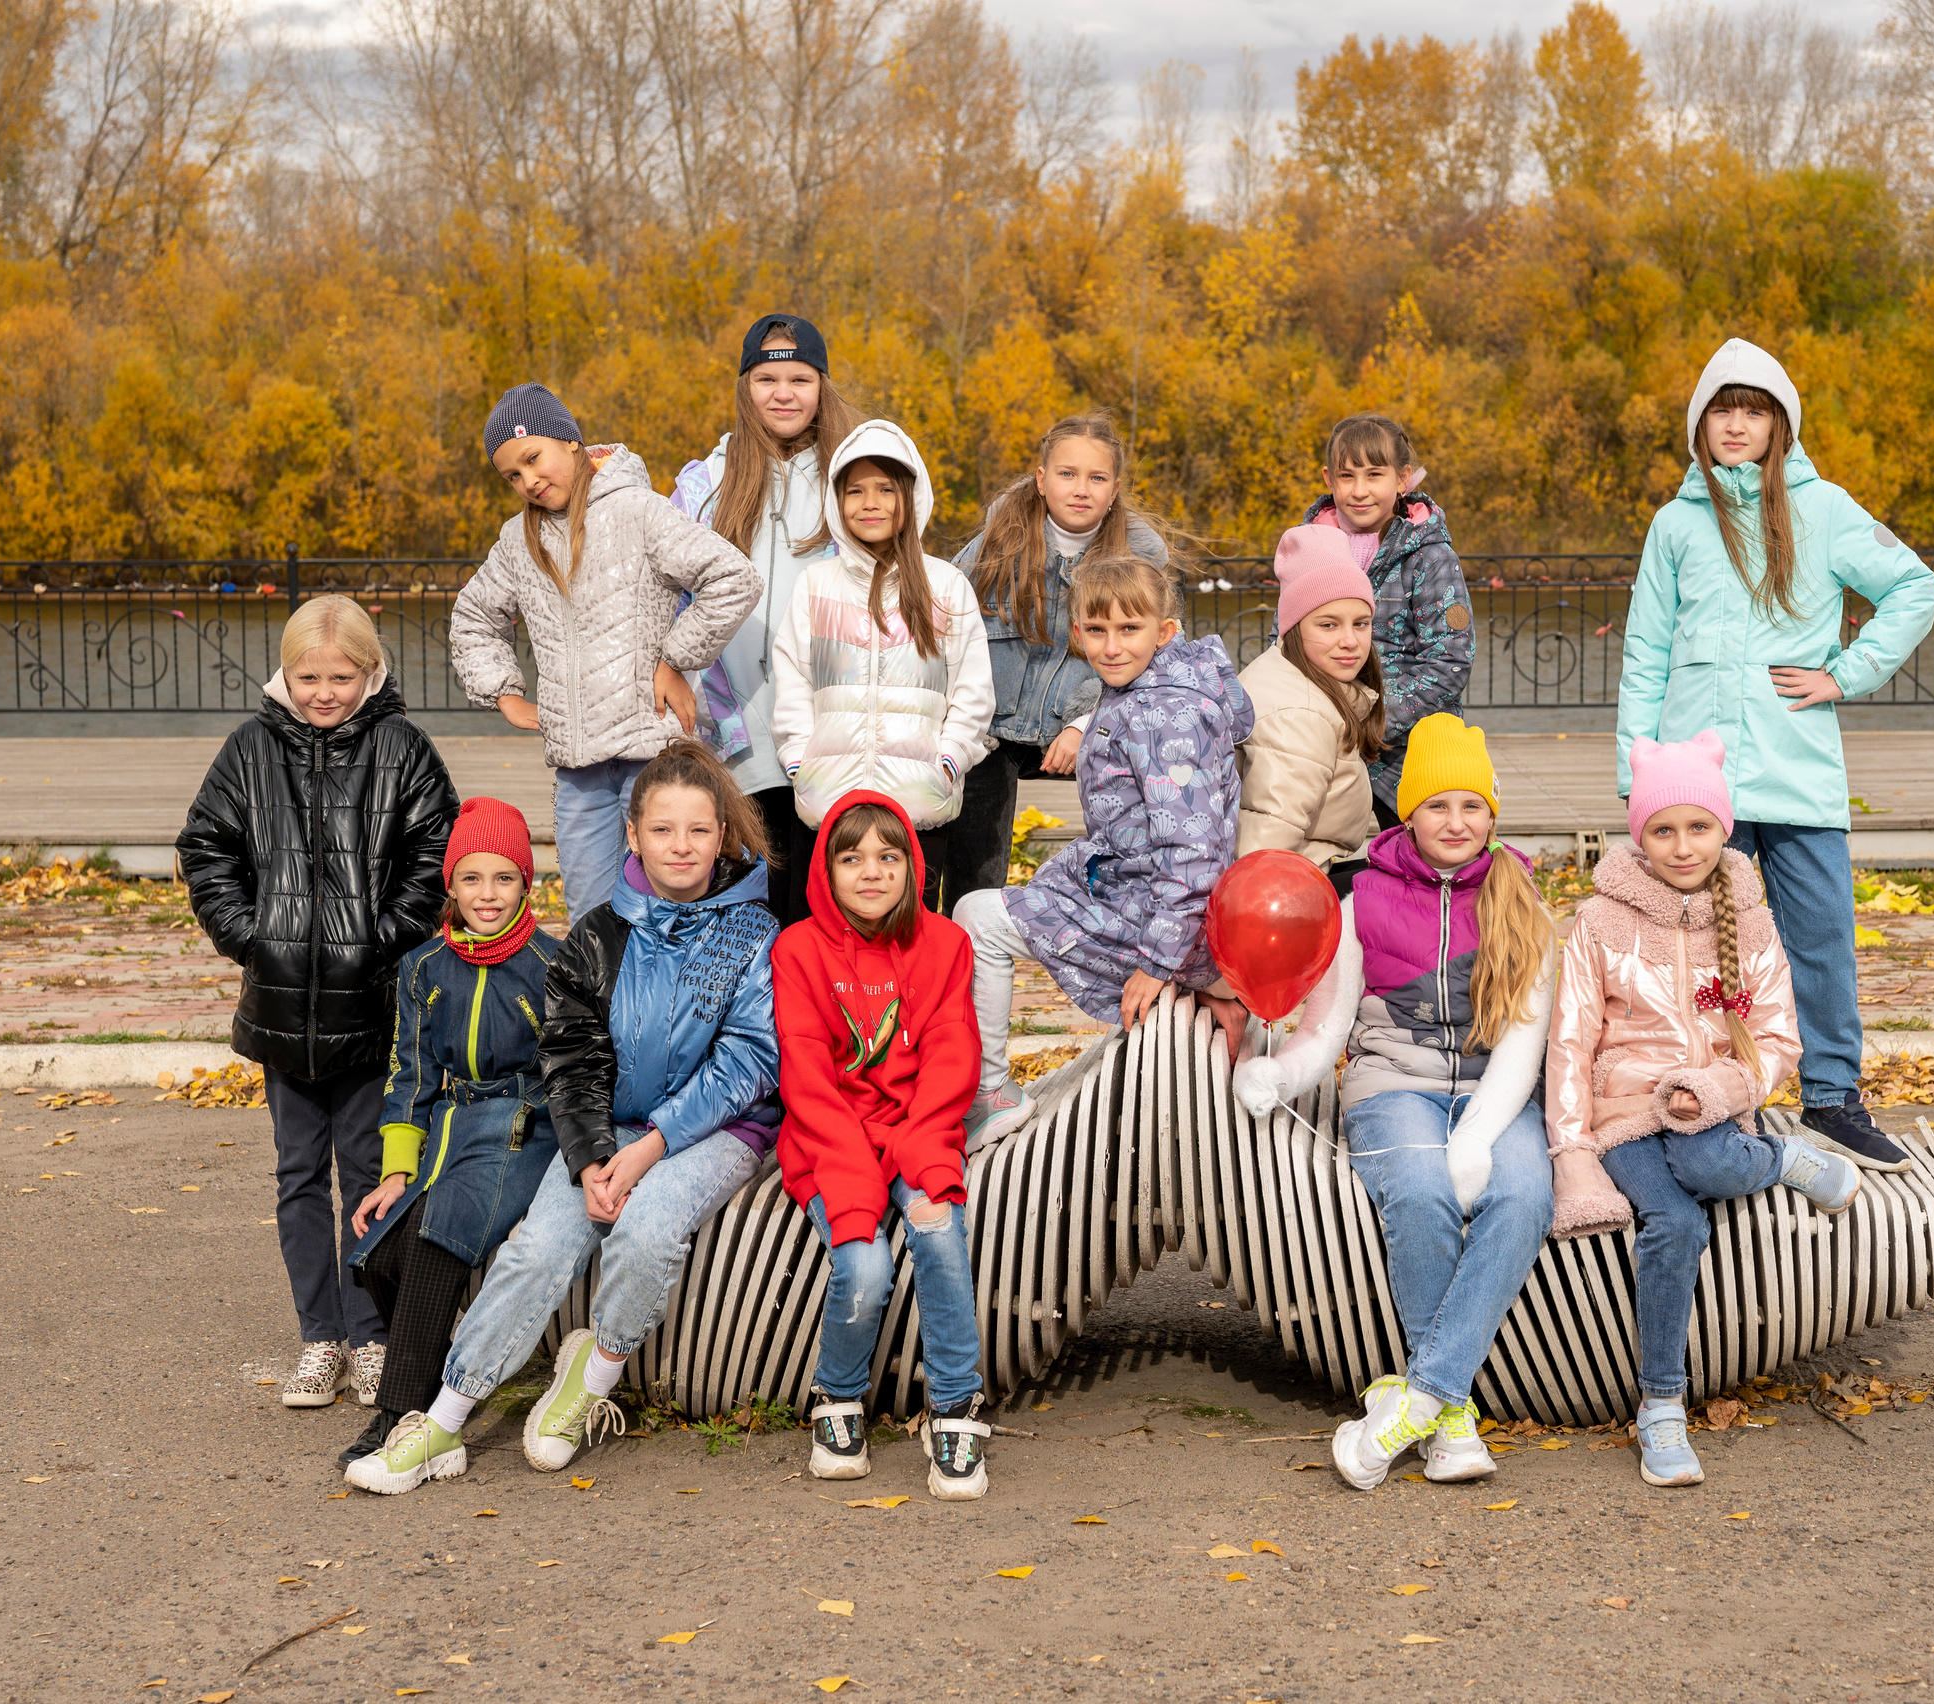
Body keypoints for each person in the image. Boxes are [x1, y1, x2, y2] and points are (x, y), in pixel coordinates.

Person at [343, 742, 783, 1493]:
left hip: (712, 1133)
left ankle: (595, 1369)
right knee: (536, 1250)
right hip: (604, 1132)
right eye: (664, 829)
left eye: (699, 830)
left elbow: (746, 1063)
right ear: (634, 835)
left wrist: (648, 1150)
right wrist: (587, 1158)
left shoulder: (752, 934)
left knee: (645, 1233)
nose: (682, 846)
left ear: (724, 837)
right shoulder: (598, 934)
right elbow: (572, 1058)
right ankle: (442, 1422)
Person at [1615, 338, 1934, 1172]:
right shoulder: (1676, 523)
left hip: (1795, 769)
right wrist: (1637, 773)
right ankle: (1721, 1095)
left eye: (1754, 410)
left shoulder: (1824, 507)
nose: (1736, 424)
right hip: (1696, 779)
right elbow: (1646, 651)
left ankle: (1833, 1098)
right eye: (1723, 408)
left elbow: (1913, 587)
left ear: (1779, 424)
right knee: (1702, 945)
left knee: (1819, 938)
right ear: (1700, 423)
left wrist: (1846, 674)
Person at [1234, 715, 1558, 1490]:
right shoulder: (1362, 900)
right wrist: (1281, 1074)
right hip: (1393, 1088)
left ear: (1492, 814)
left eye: (1472, 806)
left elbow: (1525, 1038)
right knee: (1419, 1191)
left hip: (1496, 1090)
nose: (1457, 822)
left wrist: (1479, 1134)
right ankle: (1450, 1419)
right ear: (1407, 811)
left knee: (1524, 1194)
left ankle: (1421, 1398)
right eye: (1438, 805)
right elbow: (1331, 1021)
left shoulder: (1524, 900)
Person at [1546, 730, 1861, 1489]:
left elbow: (1779, 1034)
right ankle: (1661, 1406)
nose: (1682, 846)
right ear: (1639, 836)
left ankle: (1781, 1156)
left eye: (1698, 827)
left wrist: (1724, 1089)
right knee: (1677, 1220)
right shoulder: (1600, 922)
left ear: (1724, 828)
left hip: (1712, 1105)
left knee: (1709, 1158)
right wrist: (1571, 1146)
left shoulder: (1748, 920)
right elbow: (1570, 1036)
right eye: (1662, 829)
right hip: (1624, 1113)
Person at [177, 594, 458, 1411]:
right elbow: (206, 846)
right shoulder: (251, 748)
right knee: (298, 1175)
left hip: (371, 1011)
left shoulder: (402, 749)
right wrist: (250, 935)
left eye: (342, 676)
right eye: (309, 677)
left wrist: (385, 938)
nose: (325, 693)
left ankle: (371, 1336)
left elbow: (436, 852)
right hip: (281, 1012)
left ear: (371, 672)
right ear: (285, 674)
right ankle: (319, 1337)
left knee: (370, 1172)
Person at [951, 557, 1254, 1148]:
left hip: (1167, 928)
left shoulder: (1163, 716)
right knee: (1029, 894)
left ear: (1164, 632)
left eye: (1129, 630)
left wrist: (1156, 965)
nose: (1111, 647)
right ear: (1078, 631)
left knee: (976, 920)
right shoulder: (1160, 690)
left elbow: (1192, 857)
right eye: (1096, 630)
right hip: (1148, 900)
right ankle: (1211, 994)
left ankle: (989, 1093)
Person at [449, 383, 764, 924]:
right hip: (579, 774)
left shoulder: (638, 511)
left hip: (653, 757)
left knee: (664, 908)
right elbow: (473, 617)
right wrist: (504, 692)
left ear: (570, 441)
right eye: (512, 476)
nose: (529, 481)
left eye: (532, 458)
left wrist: (675, 658)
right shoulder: (517, 541)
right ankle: (595, 1010)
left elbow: (733, 577)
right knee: (591, 921)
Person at [773, 791, 991, 1499]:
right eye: (852, 857)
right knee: (863, 1269)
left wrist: (922, 1155)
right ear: (826, 870)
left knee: (936, 1228)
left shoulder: (946, 944)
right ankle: (837, 1397)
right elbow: (807, 1080)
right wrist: (856, 1183)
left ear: (912, 866)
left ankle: (956, 1401)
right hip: (830, 1138)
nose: (872, 872)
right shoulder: (799, 949)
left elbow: (953, 1057)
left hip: (916, 1126)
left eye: (888, 857)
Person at [334, 798, 562, 1469]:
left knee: (441, 1234)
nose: (486, 895)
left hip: (522, 1128)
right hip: (446, 1131)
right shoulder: (424, 968)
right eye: (471, 878)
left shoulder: (552, 965)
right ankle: (431, 1392)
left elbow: (573, 1068)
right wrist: (397, 1172)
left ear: (527, 883)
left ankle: (401, 1417)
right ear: (450, 885)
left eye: (503, 878)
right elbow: (408, 1074)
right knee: (379, 1253)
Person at [671, 314, 866, 926]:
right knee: (746, 901)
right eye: (767, 379)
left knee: (820, 898)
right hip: (734, 723)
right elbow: (665, 591)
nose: (784, 394)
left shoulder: (853, 477)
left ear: (822, 387)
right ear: (744, 387)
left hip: (826, 721)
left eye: (800, 379)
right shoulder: (706, 483)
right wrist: (669, 666)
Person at [940, 414, 1173, 910]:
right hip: (993, 723)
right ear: (1042, 480)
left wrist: (1086, 721)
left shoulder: (1138, 557)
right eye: (1067, 474)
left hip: (1079, 720)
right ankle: (971, 930)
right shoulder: (996, 542)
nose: (1081, 489)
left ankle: (1120, 913)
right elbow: (946, 624)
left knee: (1135, 766)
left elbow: (1152, 657)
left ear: (1114, 490)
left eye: (1097, 477)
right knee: (974, 841)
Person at [770, 420, 992, 912]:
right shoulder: (816, 584)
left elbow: (972, 690)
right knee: (829, 937)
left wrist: (949, 761)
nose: (870, 502)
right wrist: (799, 763)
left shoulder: (946, 585)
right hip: (830, 804)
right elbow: (791, 680)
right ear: (836, 500)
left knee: (908, 936)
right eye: (855, 491)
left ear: (910, 496)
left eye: (886, 489)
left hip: (917, 805)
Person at [1302, 414, 1473, 827]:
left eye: (1374, 475)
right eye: (1347, 476)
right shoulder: (1310, 551)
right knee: (1320, 862)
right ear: (1329, 479)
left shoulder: (1431, 556)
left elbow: (1450, 660)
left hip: (1408, 757)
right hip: (1322, 745)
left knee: (1415, 872)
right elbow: (1284, 643)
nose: (1359, 491)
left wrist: (1372, 723)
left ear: (1402, 479)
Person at [1234, 525, 1382, 900]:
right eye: (1328, 624)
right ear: (1295, 627)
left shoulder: (1287, 673)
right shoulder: (1300, 714)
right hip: (1295, 888)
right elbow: (1268, 844)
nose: (1350, 641)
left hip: (1308, 867)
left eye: (1361, 624)